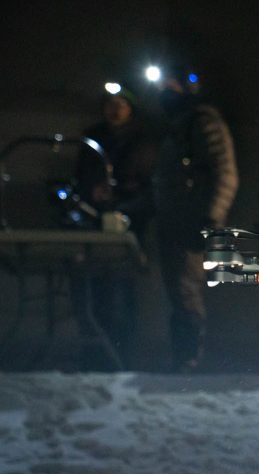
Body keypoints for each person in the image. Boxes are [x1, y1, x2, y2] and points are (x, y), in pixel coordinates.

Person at [153, 65, 238, 371]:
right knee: (179, 292)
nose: (165, 91)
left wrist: (211, 218)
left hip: (193, 222)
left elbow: (225, 173)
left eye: (171, 85)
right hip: (174, 220)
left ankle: (190, 361)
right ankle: (184, 359)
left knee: (186, 290)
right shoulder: (179, 125)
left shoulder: (202, 122)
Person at [72, 83, 157, 367]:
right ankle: (95, 355)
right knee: (95, 292)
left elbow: (148, 188)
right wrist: (92, 193)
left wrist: (121, 201)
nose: (115, 109)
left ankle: (121, 356)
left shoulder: (143, 141)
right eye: (110, 103)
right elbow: (81, 177)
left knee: (122, 291)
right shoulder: (93, 139)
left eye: (121, 104)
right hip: (94, 225)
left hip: (128, 226)